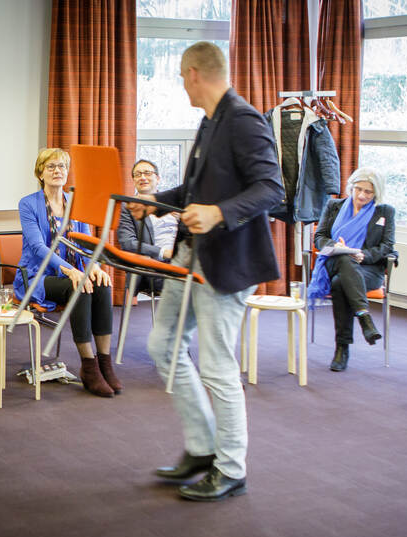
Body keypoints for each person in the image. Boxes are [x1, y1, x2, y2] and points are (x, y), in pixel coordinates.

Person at [128, 41, 283, 502]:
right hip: (188, 256)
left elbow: (271, 188)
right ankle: (201, 448)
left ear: (195, 73)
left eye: (181, 75)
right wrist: (155, 205)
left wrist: (219, 213)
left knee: (217, 365)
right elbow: (196, 188)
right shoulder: (210, 120)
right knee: (163, 346)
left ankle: (231, 467)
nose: (181, 83)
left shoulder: (244, 119)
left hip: (228, 262)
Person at [16, 148, 119, 398]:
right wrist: (72, 270)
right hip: (38, 276)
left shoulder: (76, 202)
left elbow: (85, 243)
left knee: (102, 284)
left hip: (73, 271)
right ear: (40, 172)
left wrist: (94, 266)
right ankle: (88, 366)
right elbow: (38, 247)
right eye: (51, 166)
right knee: (79, 286)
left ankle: (104, 361)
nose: (57, 171)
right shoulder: (28, 203)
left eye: (62, 166)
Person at [308, 168, 396, 372]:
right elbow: (319, 237)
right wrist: (334, 246)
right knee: (344, 261)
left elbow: (387, 246)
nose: (362, 195)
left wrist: (365, 255)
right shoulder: (334, 206)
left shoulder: (385, 211)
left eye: (368, 192)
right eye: (358, 189)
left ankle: (342, 348)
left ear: (377, 193)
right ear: (351, 187)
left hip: (367, 269)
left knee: (341, 283)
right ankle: (364, 316)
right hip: (333, 261)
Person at [117, 159, 179, 294]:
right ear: (133, 181)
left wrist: (182, 218)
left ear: (158, 178)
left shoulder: (173, 205)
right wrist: (163, 252)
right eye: (138, 174)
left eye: (147, 173)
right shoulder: (128, 207)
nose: (143, 177)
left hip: (181, 259)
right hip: (155, 266)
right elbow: (128, 243)